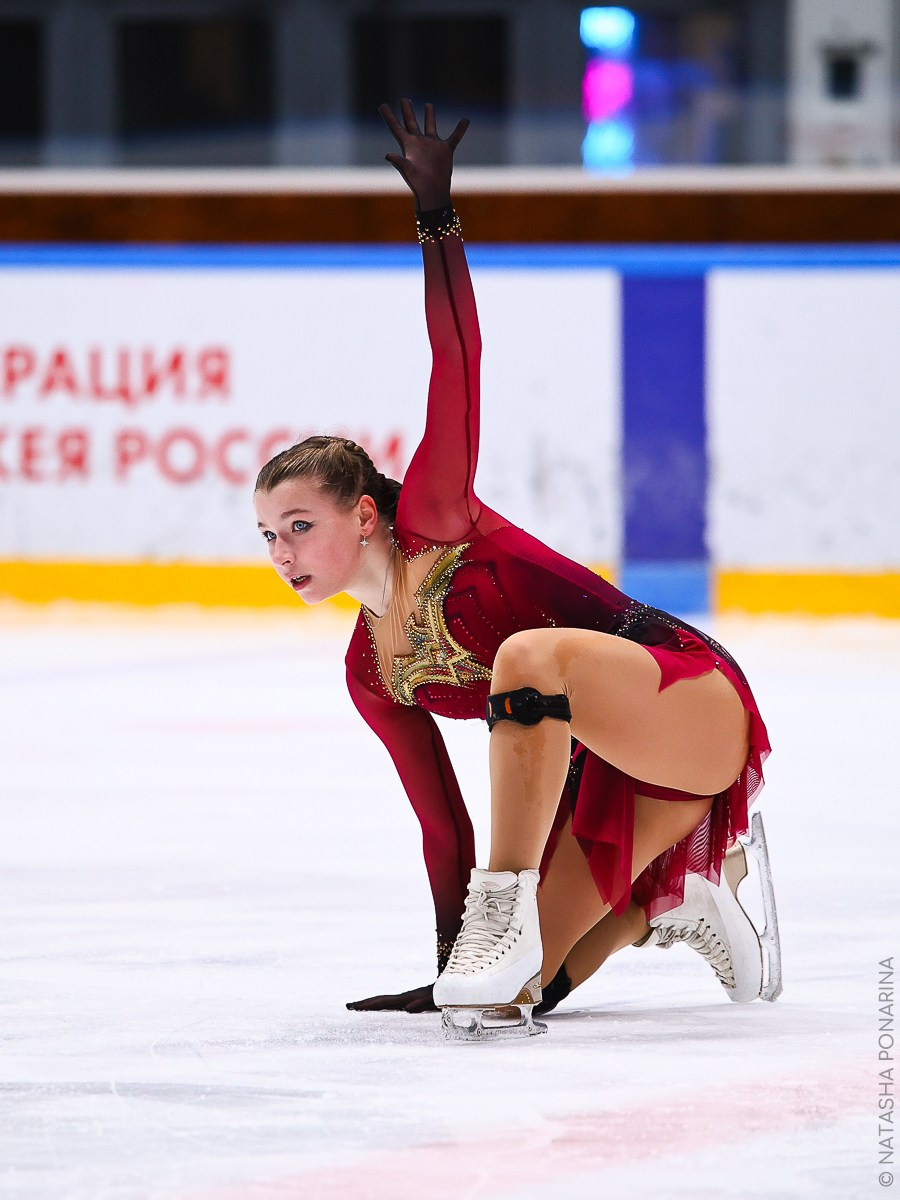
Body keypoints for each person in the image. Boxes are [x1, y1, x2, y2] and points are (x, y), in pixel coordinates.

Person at [252, 100, 778, 1038]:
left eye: (298, 525)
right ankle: (680, 895)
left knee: (530, 655)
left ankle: (519, 912)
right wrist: (450, 964)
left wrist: (436, 219)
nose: (282, 552)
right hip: (593, 776)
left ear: (365, 513)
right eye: (268, 537)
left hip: (685, 707)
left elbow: (458, 353)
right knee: (506, 998)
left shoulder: (436, 517)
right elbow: (442, 826)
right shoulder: (371, 670)